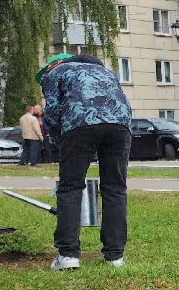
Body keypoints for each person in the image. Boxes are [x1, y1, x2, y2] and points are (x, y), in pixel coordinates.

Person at [38, 51, 132, 269]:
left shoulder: (56, 72)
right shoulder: (107, 73)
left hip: (80, 122)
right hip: (120, 126)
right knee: (115, 188)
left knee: (70, 186)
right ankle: (115, 256)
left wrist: (57, 144)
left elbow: (51, 114)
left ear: (57, 62)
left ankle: (68, 255)